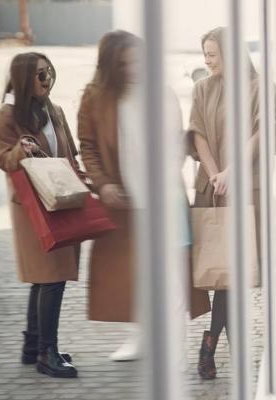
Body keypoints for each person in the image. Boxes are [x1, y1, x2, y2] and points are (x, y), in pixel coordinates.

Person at [78, 30, 209, 362]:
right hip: (123, 202)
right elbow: (88, 147)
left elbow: (178, 142)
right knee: (134, 272)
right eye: (125, 63)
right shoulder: (95, 97)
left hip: (165, 197)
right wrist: (103, 184)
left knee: (172, 270)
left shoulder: (160, 94)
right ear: (111, 65)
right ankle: (143, 335)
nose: (134, 67)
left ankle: (175, 339)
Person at [0, 52, 79, 378]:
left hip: (61, 199)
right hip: (32, 207)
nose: (46, 80)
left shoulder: (53, 110)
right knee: (52, 278)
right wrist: (22, 148)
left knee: (44, 278)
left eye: (49, 73)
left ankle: (33, 346)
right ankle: (48, 353)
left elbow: (68, 151)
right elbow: (4, 159)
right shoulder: (6, 116)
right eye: (39, 75)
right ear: (23, 78)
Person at [188, 26, 260, 379]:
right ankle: (218, 346)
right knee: (223, 275)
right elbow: (198, 134)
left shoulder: (258, 87)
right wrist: (217, 174)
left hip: (247, 189)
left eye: (212, 54)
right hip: (212, 190)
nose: (207, 61)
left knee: (233, 275)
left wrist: (232, 171)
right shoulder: (202, 87)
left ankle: (211, 344)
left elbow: (262, 132)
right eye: (205, 54)